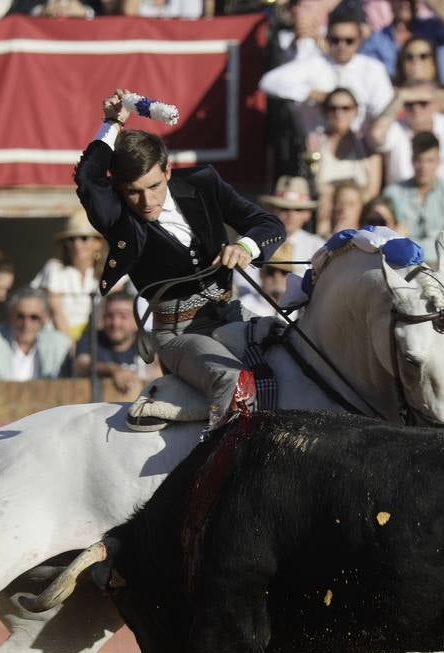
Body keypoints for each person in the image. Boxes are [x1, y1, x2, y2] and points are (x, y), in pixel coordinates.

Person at [76, 89, 284, 430]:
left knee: (296, 356)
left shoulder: (203, 183)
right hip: (178, 335)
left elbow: (268, 224)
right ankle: (223, 472)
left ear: (168, 171)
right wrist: (112, 122)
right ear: (119, 189)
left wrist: (245, 247)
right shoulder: (117, 218)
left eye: (154, 186)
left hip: (231, 315)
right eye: (133, 191)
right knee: (233, 381)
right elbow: (87, 178)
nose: (146, 200)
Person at [259, 10, 396, 136]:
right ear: (327, 39)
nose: (342, 46)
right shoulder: (315, 64)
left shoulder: (373, 68)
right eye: (335, 40)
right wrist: (312, 94)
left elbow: (384, 108)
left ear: (359, 41)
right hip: (322, 145)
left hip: (362, 144)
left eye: (349, 41)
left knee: (394, 134)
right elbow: (269, 82)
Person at [380, 131, 444, 264]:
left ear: (439, 161)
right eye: (418, 160)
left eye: (429, 160)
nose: (423, 167)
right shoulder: (392, 193)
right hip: (402, 263)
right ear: (412, 160)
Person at [371, 81, 444, 190]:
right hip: (400, 200)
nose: (416, 108)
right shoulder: (396, 127)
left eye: (423, 103)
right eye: (409, 103)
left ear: (436, 104)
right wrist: (400, 96)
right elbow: (376, 134)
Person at [29, 207, 104, 339]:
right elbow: (56, 311)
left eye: (84, 238)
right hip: (56, 339)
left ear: (98, 243)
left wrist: (91, 346)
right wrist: (72, 347)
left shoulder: (110, 273)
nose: (77, 244)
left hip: (96, 341)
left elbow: (109, 311)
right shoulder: (54, 268)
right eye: (71, 239)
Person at [360, 0, 444, 88]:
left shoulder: (433, 28)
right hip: (396, 100)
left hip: (436, 97)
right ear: (390, 3)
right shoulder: (376, 40)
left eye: (410, 0)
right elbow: (368, 75)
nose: (404, 3)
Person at [0, 287, 72, 381]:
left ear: (45, 318)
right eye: (20, 316)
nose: (26, 324)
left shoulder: (60, 344)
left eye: (34, 317)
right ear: (10, 315)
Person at [73, 289, 158, 394]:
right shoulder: (92, 337)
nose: (115, 323)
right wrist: (113, 370)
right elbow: (81, 366)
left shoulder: (149, 340)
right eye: (110, 316)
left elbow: (160, 369)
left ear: (135, 320)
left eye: (123, 316)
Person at [310, 87, 382, 209]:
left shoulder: (367, 146)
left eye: (346, 108)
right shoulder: (314, 142)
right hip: (323, 215)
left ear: (356, 111)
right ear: (325, 111)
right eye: (333, 108)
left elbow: (372, 195)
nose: (339, 113)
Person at [258, 175, 323, 276]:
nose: (290, 215)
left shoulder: (318, 248)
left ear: (307, 214)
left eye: (298, 209)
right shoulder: (252, 241)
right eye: (284, 208)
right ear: (272, 210)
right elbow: (243, 286)